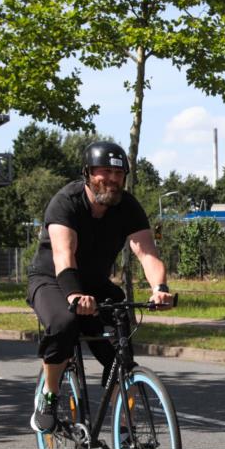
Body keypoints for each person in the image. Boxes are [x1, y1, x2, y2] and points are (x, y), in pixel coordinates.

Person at [26, 140, 172, 432]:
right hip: (52, 280)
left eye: (119, 174)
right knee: (64, 322)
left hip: (95, 285)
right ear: (88, 173)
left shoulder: (128, 206)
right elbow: (63, 257)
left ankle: (124, 428)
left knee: (121, 346)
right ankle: (49, 395)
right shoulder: (65, 202)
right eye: (104, 172)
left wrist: (159, 286)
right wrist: (75, 294)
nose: (113, 179)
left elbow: (146, 252)